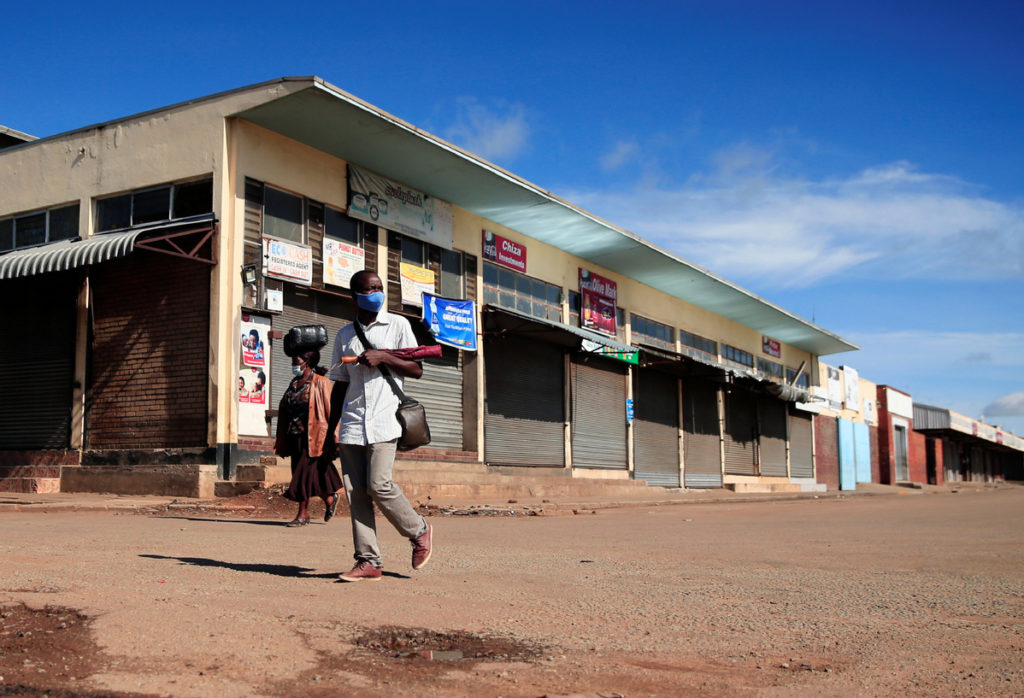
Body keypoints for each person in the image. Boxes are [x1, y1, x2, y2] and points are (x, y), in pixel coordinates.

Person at [329, 269, 432, 582]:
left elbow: (416, 369)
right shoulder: (344, 335)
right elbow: (338, 387)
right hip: (351, 423)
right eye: (369, 288)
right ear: (355, 295)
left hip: (386, 420)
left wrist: (384, 357)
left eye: (379, 287)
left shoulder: (398, 325)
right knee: (357, 493)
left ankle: (419, 530)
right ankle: (368, 560)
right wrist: (329, 429)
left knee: (379, 484)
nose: (376, 292)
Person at [274, 348, 343, 527]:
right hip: (294, 436)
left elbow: (332, 411)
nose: (293, 366)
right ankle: (329, 498)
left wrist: (335, 438)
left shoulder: (321, 382)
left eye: (296, 362)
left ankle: (303, 514)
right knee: (310, 475)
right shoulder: (294, 383)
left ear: (307, 362)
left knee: (302, 476)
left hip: (313, 437)